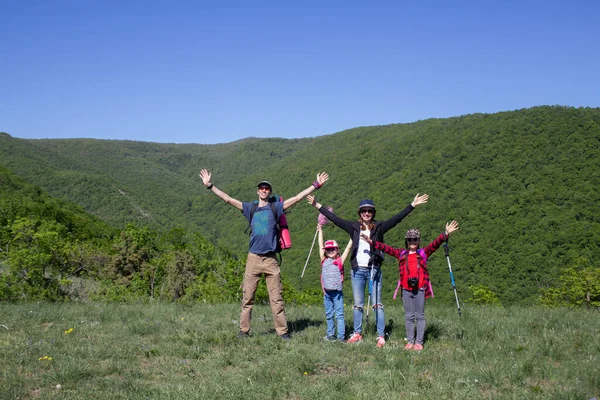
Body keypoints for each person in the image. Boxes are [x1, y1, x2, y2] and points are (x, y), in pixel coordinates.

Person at [199, 169, 329, 340]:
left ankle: (282, 332)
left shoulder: (276, 208)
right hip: (253, 258)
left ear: (270, 192)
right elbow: (227, 199)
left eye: (267, 188)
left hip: (270, 260)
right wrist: (210, 186)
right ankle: (244, 331)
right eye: (261, 188)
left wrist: (315, 185)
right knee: (247, 298)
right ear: (257, 190)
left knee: (277, 299)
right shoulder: (250, 208)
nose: (264, 190)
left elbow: (297, 198)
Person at [306, 193, 428, 347]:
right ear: (360, 213)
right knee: (358, 304)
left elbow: (397, 219)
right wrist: (317, 205)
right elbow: (335, 219)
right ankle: (357, 333)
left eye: (370, 211)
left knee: (377, 304)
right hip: (357, 270)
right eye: (364, 211)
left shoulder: (379, 228)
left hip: (374, 269)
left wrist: (412, 205)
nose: (367, 213)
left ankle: (380, 335)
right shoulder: (353, 227)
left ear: (373, 213)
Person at [360, 220, 459, 351]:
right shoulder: (402, 254)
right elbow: (386, 248)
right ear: (406, 241)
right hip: (406, 289)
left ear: (419, 241)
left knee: (420, 316)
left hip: (420, 289)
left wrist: (445, 234)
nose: (412, 242)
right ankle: (410, 341)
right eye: (410, 239)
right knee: (409, 316)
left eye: (415, 239)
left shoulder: (423, 253)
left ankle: (419, 342)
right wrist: (371, 242)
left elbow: (435, 244)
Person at [317, 223, 352, 342]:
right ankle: (330, 335)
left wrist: (353, 236)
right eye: (328, 249)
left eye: (333, 249)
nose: (331, 251)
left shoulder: (340, 261)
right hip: (326, 293)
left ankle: (341, 337)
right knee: (329, 315)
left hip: (337, 293)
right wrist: (320, 232)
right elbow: (320, 245)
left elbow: (348, 248)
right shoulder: (323, 260)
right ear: (325, 251)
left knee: (339, 315)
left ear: (337, 250)